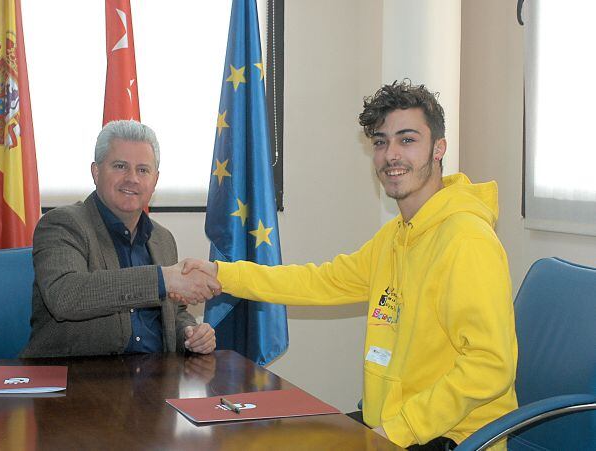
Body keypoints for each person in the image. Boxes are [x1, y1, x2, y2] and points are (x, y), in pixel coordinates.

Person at [176, 81, 518, 450]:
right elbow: (321, 282)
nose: (391, 155)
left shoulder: (467, 240)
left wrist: (396, 430)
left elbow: (490, 365)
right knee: (261, 438)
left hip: (454, 438)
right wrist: (223, 274)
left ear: (439, 148)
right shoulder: (396, 236)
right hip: (394, 425)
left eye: (407, 140)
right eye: (381, 142)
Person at [22, 120, 219, 358]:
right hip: (74, 374)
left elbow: (174, 312)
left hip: (155, 374)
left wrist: (189, 333)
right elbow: (65, 296)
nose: (132, 178)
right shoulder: (62, 224)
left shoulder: (163, 239)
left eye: (143, 170)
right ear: (96, 172)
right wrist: (162, 279)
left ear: (155, 180)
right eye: (120, 166)